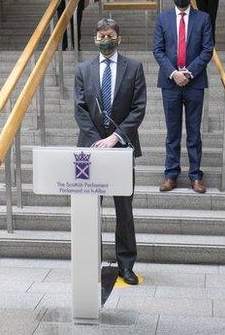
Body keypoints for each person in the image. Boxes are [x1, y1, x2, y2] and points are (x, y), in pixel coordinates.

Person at [74, 18, 146, 285]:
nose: (106, 39)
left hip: (122, 148)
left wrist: (115, 138)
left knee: (123, 209)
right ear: (95, 39)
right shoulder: (83, 69)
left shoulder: (134, 68)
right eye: (102, 35)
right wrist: (97, 141)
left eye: (111, 35)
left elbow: (138, 108)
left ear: (119, 38)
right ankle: (89, 262)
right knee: (89, 208)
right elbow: (80, 109)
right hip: (90, 151)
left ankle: (125, 264)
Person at [153, 0, 214, 194]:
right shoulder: (163, 18)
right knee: (172, 131)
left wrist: (188, 73)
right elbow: (157, 50)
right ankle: (171, 175)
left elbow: (207, 50)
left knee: (194, 132)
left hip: (194, 83)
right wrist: (174, 73)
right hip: (170, 83)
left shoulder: (203, 18)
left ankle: (196, 176)